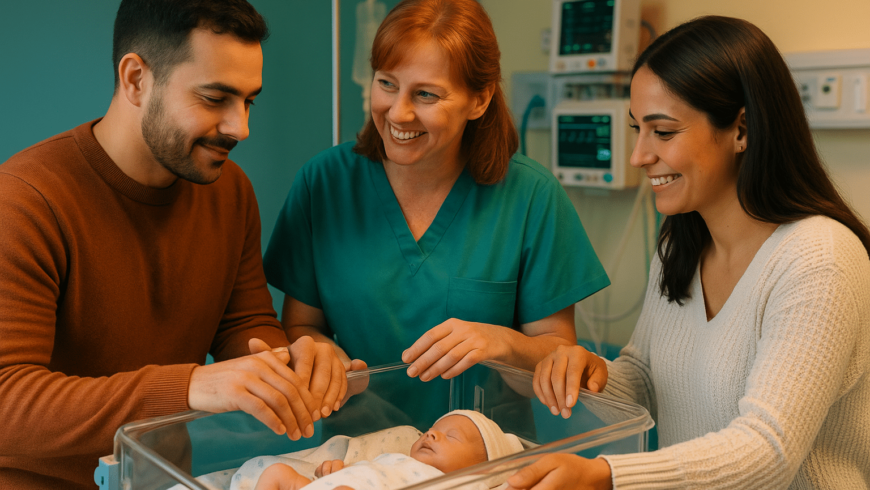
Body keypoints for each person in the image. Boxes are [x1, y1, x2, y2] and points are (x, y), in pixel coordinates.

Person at [0, 1, 348, 488]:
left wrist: (295, 361)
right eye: (215, 98)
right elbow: (7, 404)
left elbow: (242, 326)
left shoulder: (230, 191)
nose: (240, 127)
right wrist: (188, 385)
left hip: (162, 480)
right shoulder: (25, 200)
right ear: (137, 79)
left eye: (248, 101)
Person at [513, 16, 870, 490]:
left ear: (741, 129)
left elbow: (769, 450)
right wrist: (589, 371)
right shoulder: (681, 245)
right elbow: (644, 380)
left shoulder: (819, 259)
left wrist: (606, 474)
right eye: (637, 129)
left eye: (662, 133)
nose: (639, 154)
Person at [263, 0, 608, 398]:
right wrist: (329, 362)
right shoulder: (323, 183)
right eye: (386, 83)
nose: (398, 113)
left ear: (479, 100)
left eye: (426, 94)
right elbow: (302, 328)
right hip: (353, 454)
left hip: (483, 452)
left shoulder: (531, 197)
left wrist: (502, 343)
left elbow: (556, 357)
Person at [252, 410, 524, 490]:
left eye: (451, 436)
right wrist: (337, 473)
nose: (431, 433)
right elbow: (370, 474)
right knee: (277, 472)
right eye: (432, 428)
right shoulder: (396, 458)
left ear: (482, 468)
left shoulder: (462, 483)